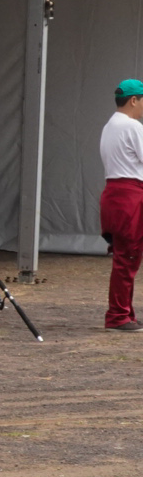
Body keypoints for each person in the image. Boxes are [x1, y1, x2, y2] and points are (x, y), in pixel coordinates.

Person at [100, 78, 143, 330]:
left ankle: (126, 313)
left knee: (127, 256)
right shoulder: (132, 127)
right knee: (127, 257)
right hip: (129, 196)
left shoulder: (110, 126)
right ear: (134, 100)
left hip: (115, 194)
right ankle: (118, 316)